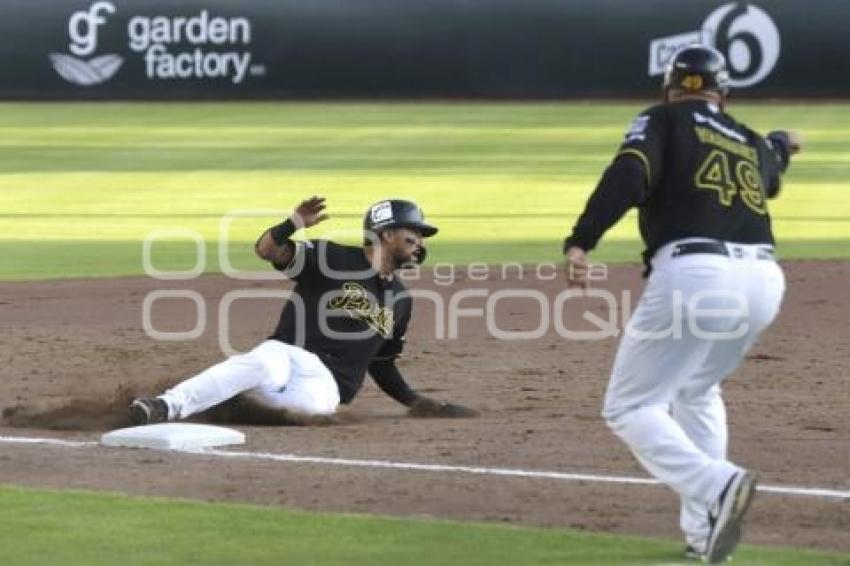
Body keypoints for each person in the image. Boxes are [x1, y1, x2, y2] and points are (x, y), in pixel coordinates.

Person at [562, 45, 801, 563]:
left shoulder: (663, 120)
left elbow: (629, 175)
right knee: (696, 388)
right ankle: (704, 534)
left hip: (695, 273)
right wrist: (782, 141)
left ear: (670, 87)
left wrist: (582, 240)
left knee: (629, 406)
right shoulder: (749, 139)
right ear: (722, 91)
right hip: (763, 279)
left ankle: (717, 484)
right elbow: (772, 166)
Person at [131, 196, 477, 425]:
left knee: (310, 411)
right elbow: (268, 250)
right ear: (386, 235)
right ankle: (164, 406)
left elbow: (382, 364)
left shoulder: (401, 301)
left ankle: (223, 402)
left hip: (327, 387)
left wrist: (420, 403)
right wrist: (292, 223)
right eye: (414, 233)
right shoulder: (333, 257)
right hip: (288, 354)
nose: (421, 241)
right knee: (261, 362)